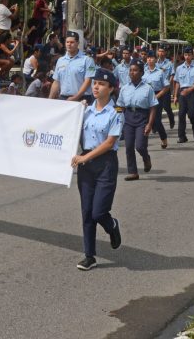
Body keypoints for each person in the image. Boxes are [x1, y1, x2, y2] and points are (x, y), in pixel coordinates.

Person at [71, 68, 123, 271]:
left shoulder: (116, 112)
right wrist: (75, 112)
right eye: (94, 83)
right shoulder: (85, 110)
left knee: (99, 212)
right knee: (87, 212)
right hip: (86, 166)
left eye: (101, 84)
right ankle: (89, 256)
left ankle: (112, 225)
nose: (96, 87)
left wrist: (85, 157)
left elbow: (110, 143)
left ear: (111, 89)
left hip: (105, 164)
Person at [117, 60, 158, 181]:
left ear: (141, 73)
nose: (132, 72)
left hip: (142, 117)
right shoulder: (124, 88)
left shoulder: (148, 88)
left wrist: (149, 124)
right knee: (129, 146)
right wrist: (115, 118)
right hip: (128, 117)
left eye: (135, 70)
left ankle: (146, 158)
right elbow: (120, 106)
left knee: (140, 146)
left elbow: (153, 107)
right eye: (130, 70)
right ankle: (133, 172)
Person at [49, 31, 96, 102]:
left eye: (72, 42)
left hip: (82, 99)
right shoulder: (60, 60)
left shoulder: (88, 60)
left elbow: (88, 81)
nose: (69, 44)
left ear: (78, 43)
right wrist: (49, 100)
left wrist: (75, 97)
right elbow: (56, 82)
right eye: (67, 42)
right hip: (64, 98)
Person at [172, 47, 194, 143]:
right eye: (185, 55)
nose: (187, 57)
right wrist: (175, 96)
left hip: (193, 92)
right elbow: (177, 82)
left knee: (192, 114)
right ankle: (182, 136)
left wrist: (189, 90)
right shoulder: (179, 68)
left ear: (192, 56)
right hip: (182, 92)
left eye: (189, 55)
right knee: (181, 114)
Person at [142, 50, 169, 149]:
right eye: (148, 58)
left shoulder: (160, 72)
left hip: (157, 96)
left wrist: (157, 96)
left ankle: (163, 138)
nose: (149, 59)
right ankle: (143, 142)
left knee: (156, 120)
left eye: (152, 58)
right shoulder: (143, 71)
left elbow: (166, 86)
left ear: (156, 59)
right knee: (144, 120)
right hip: (145, 97)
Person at [156, 47, 175, 129]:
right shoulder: (155, 63)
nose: (160, 53)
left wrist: (168, 84)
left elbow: (172, 74)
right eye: (159, 51)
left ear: (165, 53)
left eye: (162, 51)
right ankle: (156, 126)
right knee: (157, 108)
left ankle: (171, 119)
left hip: (166, 88)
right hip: (157, 88)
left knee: (166, 107)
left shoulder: (169, 63)